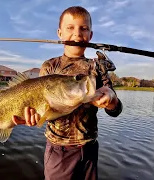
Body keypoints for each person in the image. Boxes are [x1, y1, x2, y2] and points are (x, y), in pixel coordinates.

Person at [12, 6, 123, 180]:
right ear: (60, 33)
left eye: (83, 28)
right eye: (70, 28)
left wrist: (111, 99)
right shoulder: (50, 67)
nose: (77, 34)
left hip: (90, 149)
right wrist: (32, 118)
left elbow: (116, 109)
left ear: (90, 36)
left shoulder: (97, 68)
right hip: (59, 152)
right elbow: (41, 110)